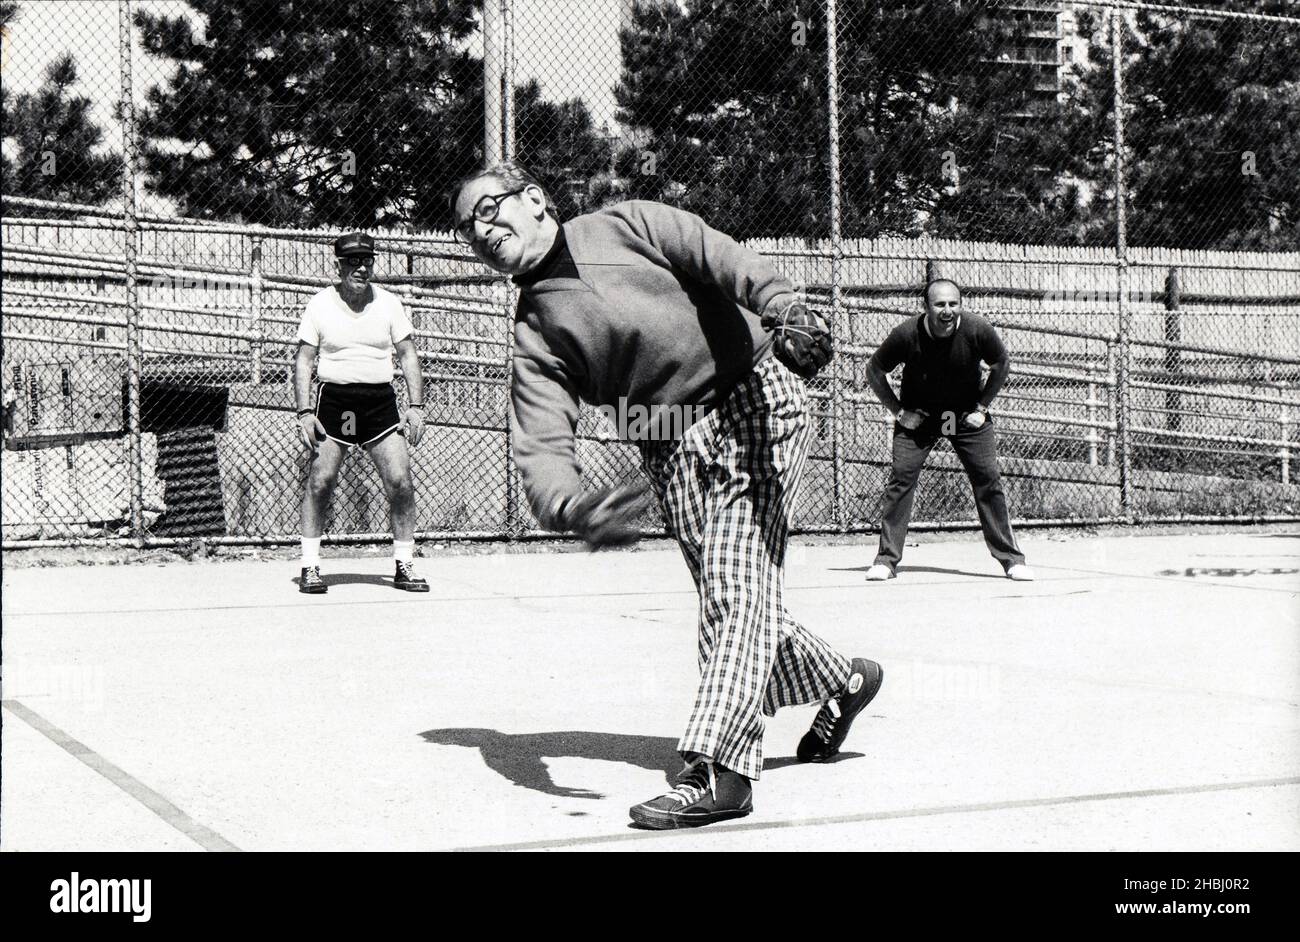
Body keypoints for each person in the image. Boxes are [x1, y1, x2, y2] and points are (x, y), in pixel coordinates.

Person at [452, 162, 884, 830]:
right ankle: (841, 679)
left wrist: (781, 303)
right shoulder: (535, 333)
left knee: (736, 591)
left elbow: (715, 253)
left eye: (487, 211)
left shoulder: (625, 225)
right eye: (466, 229)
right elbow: (541, 446)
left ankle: (720, 769)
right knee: (732, 596)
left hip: (754, 396)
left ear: (535, 199)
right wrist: (571, 506)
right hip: (666, 442)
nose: (480, 232)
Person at [864, 279, 1034, 582]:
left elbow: (1001, 363)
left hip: (964, 418)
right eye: (939, 304)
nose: (947, 311)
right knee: (901, 480)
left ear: (961, 304)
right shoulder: (905, 334)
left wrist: (981, 408)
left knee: (987, 479)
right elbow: (874, 370)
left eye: (953, 304)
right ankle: (886, 561)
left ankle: (1011, 559)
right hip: (921, 419)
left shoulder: (977, 328)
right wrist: (899, 412)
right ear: (925, 307)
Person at [293, 232, 430, 594]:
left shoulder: (389, 304)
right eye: (352, 261)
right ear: (338, 266)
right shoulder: (319, 305)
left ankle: (405, 565)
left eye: (366, 261)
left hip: (379, 403)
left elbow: (409, 356)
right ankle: (310, 566)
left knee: (400, 481)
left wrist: (415, 407)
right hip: (334, 402)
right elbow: (305, 360)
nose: (361, 268)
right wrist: (305, 412)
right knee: (321, 481)